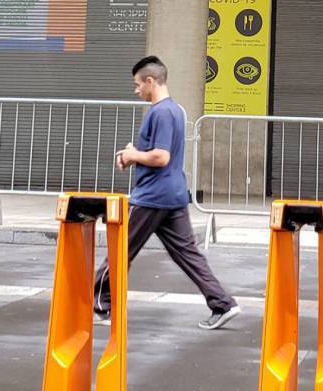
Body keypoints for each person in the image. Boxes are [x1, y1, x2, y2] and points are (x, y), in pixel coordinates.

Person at [93, 55, 241, 330]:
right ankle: (223, 304)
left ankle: (101, 306)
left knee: (120, 249)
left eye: (138, 85)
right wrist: (134, 154)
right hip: (173, 194)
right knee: (187, 254)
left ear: (151, 81)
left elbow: (160, 157)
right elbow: (160, 154)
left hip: (152, 196)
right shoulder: (176, 111)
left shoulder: (159, 112)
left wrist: (133, 154)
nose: (136, 90)